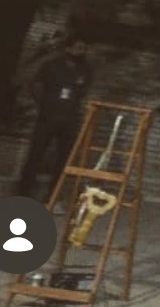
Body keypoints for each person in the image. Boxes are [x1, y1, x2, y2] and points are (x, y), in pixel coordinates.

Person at [16, 33, 92, 199]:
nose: (81, 51)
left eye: (84, 49)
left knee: (64, 157)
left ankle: (53, 194)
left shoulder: (85, 69)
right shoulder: (52, 65)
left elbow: (84, 91)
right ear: (68, 48)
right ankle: (24, 191)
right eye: (78, 48)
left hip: (69, 118)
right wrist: (45, 104)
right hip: (48, 115)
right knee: (36, 153)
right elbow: (36, 85)